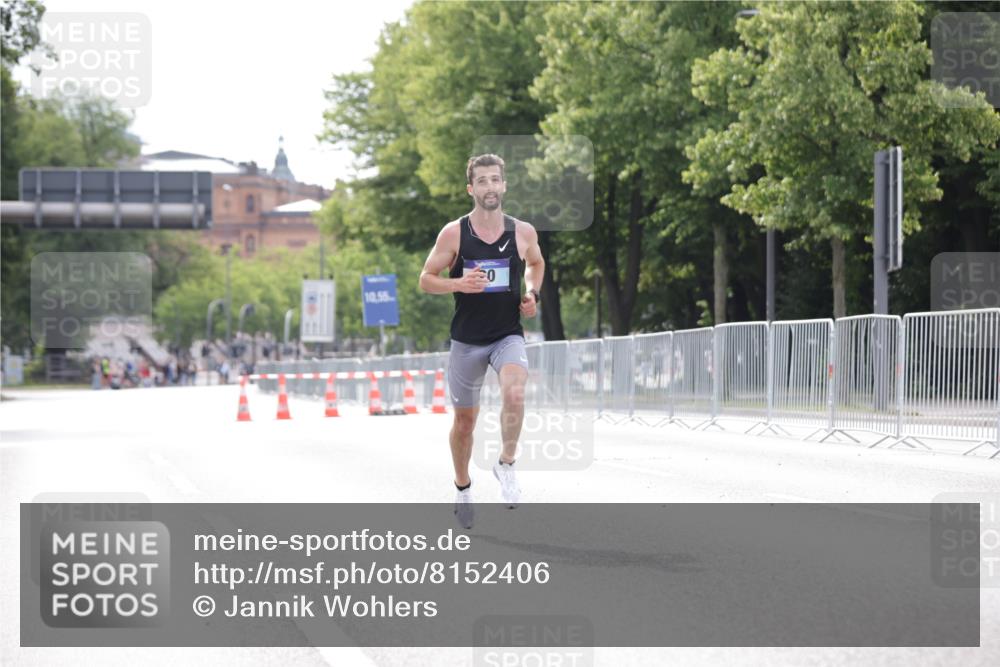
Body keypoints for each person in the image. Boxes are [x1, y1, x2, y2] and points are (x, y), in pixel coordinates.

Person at [419, 153, 545, 529]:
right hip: (467, 341)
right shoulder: (454, 233)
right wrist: (458, 283)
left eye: (496, 180)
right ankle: (462, 489)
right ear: (471, 188)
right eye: (483, 181)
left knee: (515, 392)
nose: (490, 187)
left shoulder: (523, 232)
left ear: (504, 186)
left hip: (507, 334)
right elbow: (426, 278)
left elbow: (536, 264)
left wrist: (532, 294)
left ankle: (506, 463)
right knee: (464, 423)